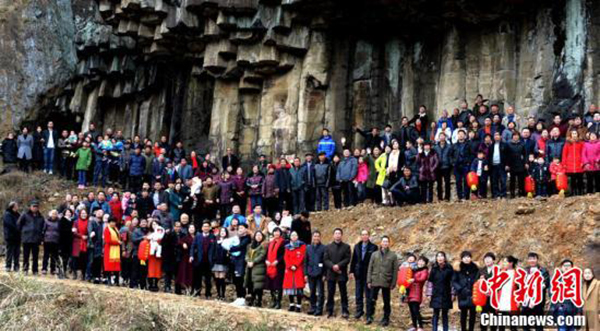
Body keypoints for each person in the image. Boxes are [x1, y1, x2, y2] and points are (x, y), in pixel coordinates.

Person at [365, 236, 398, 326]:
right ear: (381, 243)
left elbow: (395, 270)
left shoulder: (393, 255)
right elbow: (370, 268)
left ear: (389, 243)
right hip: (375, 280)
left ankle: (386, 318)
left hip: (386, 281)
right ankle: (369, 316)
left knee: (386, 301)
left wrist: (393, 283)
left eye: (387, 241)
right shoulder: (374, 254)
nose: (385, 243)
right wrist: (369, 280)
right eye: (384, 241)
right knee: (371, 300)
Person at [350, 229, 378, 320]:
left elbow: (375, 262)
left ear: (369, 236)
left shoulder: (374, 247)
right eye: (362, 235)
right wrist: (351, 271)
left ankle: (369, 314)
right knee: (358, 294)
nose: (364, 236)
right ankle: (359, 311)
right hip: (358, 274)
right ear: (361, 236)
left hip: (368, 275)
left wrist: (373, 275)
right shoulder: (357, 246)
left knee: (368, 295)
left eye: (366, 234)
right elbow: (353, 260)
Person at [324, 228, 352, 319]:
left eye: (339, 233)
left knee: (343, 292)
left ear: (341, 235)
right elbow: (325, 259)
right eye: (336, 233)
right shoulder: (328, 247)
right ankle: (329, 311)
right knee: (330, 293)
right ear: (333, 235)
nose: (337, 235)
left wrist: (338, 266)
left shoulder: (346, 247)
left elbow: (347, 259)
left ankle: (345, 311)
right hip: (331, 273)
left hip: (341, 273)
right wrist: (333, 266)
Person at [549, 260, 581, 331]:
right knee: (562, 328)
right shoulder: (556, 279)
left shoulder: (576, 279)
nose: (566, 267)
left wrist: (579, 311)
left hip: (572, 307)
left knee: (572, 328)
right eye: (564, 266)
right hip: (560, 307)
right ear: (561, 267)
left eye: (568, 266)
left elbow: (580, 296)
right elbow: (551, 293)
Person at [522, 252, 551, 331]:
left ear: (537, 260)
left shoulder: (543, 271)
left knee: (538, 323)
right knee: (525, 323)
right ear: (528, 260)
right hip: (526, 301)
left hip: (538, 301)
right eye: (530, 259)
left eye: (534, 258)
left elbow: (546, 283)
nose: (532, 260)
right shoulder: (524, 271)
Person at [452, 251, 479, 331]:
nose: (466, 259)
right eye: (464, 257)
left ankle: (471, 329)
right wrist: (460, 289)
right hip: (462, 294)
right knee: (463, 314)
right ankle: (463, 329)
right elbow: (453, 281)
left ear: (471, 258)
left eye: (468, 257)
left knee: (472, 314)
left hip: (473, 294)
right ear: (462, 259)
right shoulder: (458, 269)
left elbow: (478, 280)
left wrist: (475, 288)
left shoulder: (475, 269)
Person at [428, 251, 454, 331]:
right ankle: (434, 329)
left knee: (445, 314)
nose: (440, 258)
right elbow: (430, 282)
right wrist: (429, 293)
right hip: (436, 293)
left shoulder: (449, 268)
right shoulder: (434, 268)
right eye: (438, 256)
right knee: (435, 314)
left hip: (446, 293)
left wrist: (453, 293)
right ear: (436, 258)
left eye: (441, 256)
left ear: (444, 258)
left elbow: (452, 282)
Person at [18, 200, 45, 275]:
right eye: (33, 206)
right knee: (26, 256)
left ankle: (35, 270)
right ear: (30, 207)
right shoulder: (25, 215)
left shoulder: (40, 217)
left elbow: (43, 228)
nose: (35, 208)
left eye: (36, 207)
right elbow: (19, 224)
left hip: (36, 239)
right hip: (26, 239)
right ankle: (25, 270)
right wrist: (23, 232)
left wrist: (41, 238)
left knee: (35, 256)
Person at [190, 222, 215, 298]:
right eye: (204, 226)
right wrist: (191, 255)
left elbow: (214, 249)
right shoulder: (198, 236)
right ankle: (197, 293)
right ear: (202, 228)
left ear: (210, 228)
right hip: (199, 260)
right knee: (198, 278)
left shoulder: (212, 237)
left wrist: (213, 259)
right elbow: (193, 247)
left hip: (208, 261)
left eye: (207, 226)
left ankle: (208, 293)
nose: (206, 228)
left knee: (208, 280)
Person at [283, 231, 306, 312]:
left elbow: (302, 256)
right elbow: (286, 257)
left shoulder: (302, 245)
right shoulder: (287, 247)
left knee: (299, 287)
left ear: (298, 236)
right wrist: (290, 266)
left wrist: (295, 265)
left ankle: (299, 305)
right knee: (290, 287)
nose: (293, 236)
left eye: (295, 235)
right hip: (289, 270)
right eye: (292, 235)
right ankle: (291, 304)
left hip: (298, 269)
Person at [229, 223, 251, 305]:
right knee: (236, 279)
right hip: (236, 261)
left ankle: (242, 298)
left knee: (241, 279)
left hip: (242, 261)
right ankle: (239, 297)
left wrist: (230, 248)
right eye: (239, 228)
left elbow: (240, 246)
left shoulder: (247, 238)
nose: (240, 230)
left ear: (246, 229)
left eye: (242, 228)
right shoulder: (238, 238)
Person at [305, 230, 325, 316]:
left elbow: (325, 261)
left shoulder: (324, 248)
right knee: (312, 292)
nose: (316, 238)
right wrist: (305, 273)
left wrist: (324, 274)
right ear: (312, 237)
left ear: (320, 237)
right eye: (314, 236)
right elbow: (305, 261)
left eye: (318, 236)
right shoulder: (308, 247)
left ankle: (319, 309)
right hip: (310, 273)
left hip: (320, 273)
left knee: (320, 292)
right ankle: (313, 307)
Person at [266, 227, 286, 309]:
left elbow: (283, 254)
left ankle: (278, 302)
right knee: (271, 285)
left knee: (278, 285)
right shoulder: (271, 243)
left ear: (280, 233)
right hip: (269, 266)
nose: (276, 233)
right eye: (275, 232)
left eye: (278, 232)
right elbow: (267, 253)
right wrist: (266, 260)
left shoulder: (283, 242)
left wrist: (277, 261)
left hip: (279, 266)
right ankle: (273, 301)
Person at [498, 256, 520, 331]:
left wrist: (519, 300)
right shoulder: (501, 272)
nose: (504, 263)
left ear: (511, 263)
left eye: (506, 261)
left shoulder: (517, 274)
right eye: (504, 261)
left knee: (513, 324)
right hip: (502, 300)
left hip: (512, 300)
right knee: (501, 323)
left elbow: (519, 288)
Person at [245, 231, 267, 307]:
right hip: (250, 267)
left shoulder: (264, 245)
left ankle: (259, 301)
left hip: (259, 267)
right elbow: (247, 255)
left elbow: (262, 255)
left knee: (258, 286)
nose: (258, 237)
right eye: (257, 235)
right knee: (250, 284)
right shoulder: (250, 245)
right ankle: (251, 299)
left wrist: (253, 262)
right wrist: (248, 261)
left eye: (260, 235)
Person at [407, 256, 429, 331]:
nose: (421, 262)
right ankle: (414, 326)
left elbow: (422, 278)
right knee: (411, 310)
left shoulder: (425, 270)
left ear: (425, 263)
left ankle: (420, 326)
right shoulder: (414, 269)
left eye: (423, 261)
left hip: (417, 291)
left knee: (416, 309)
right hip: (410, 291)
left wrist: (414, 279)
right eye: (420, 261)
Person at [562, 130, 585, 196]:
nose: (574, 135)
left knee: (580, 179)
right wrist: (564, 164)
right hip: (570, 164)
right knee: (572, 180)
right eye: (573, 133)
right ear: (570, 135)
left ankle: (581, 192)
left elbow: (583, 153)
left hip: (579, 163)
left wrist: (582, 162)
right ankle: (573, 193)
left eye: (575, 133)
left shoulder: (581, 143)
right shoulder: (567, 144)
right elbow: (564, 154)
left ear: (577, 134)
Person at [451, 130, 471, 201]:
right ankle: (460, 197)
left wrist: (469, 162)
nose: (461, 135)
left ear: (465, 136)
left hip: (466, 165)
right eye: (459, 134)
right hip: (457, 166)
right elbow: (451, 155)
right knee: (458, 181)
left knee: (466, 181)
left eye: (462, 134)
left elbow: (471, 154)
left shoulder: (468, 144)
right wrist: (453, 162)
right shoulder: (454, 145)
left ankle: (466, 196)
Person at [489, 132, 509, 198]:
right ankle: (496, 194)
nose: (496, 136)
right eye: (495, 135)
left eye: (498, 135)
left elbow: (508, 156)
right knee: (494, 181)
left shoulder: (505, 145)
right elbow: (488, 156)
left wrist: (507, 164)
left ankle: (503, 194)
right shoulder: (491, 146)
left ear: (500, 136)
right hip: (493, 165)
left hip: (502, 165)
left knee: (503, 180)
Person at [507, 132, 527, 198]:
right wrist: (507, 164)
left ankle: (521, 193)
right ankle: (512, 193)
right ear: (512, 137)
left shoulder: (522, 144)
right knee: (512, 180)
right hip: (512, 164)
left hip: (520, 164)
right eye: (514, 136)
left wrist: (525, 163)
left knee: (521, 180)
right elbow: (507, 155)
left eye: (517, 136)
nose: (515, 137)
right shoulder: (509, 144)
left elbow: (525, 154)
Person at [211, 227, 229, 300]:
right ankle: (218, 294)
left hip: (224, 262)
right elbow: (213, 250)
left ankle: (223, 295)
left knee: (222, 278)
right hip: (216, 261)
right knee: (217, 278)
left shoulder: (228, 241)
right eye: (221, 231)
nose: (222, 232)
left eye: (224, 231)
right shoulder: (216, 241)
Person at [71, 209, 89, 280]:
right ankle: (76, 273)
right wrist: (81, 236)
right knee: (76, 259)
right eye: (82, 213)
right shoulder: (76, 222)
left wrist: (87, 236)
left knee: (84, 259)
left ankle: (83, 274)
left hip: (85, 242)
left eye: (85, 213)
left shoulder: (89, 222)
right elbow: (74, 232)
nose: (83, 215)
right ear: (80, 214)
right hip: (77, 242)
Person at [41, 210, 61, 275]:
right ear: (50, 214)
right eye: (53, 214)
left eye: (55, 214)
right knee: (46, 255)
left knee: (54, 256)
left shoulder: (59, 222)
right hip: (47, 240)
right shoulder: (46, 221)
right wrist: (42, 239)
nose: (54, 215)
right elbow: (43, 230)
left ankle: (53, 269)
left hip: (56, 241)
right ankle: (44, 269)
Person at [103, 217, 121, 285]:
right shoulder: (107, 229)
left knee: (116, 265)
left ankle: (116, 281)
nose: (113, 223)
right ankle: (109, 280)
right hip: (109, 249)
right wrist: (117, 242)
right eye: (112, 222)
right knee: (109, 266)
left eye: (114, 222)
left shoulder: (116, 229)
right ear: (109, 222)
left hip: (116, 250)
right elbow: (108, 240)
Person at [3, 202, 21, 272]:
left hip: (17, 236)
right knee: (9, 252)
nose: (17, 207)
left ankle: (16, 266)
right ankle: (8, 266)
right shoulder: (7, 214)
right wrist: (18, 229)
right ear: (13, 207)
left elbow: (21, 223)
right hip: (10, 236)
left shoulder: (18, 214)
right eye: (16, 206)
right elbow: (10, 225)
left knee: (17, 252)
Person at [57, 208, 73, 278]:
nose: (68, 213)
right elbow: (61, 231)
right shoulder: (62, 220)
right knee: (62, 258)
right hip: (63, 242)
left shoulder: (71, 221)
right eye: (67, 212)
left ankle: (65, 271)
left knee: (67, 258)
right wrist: (70, 230)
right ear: (64, 213)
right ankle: (60, 272)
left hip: (69, 242)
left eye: (69, 212)